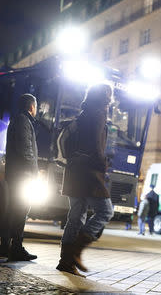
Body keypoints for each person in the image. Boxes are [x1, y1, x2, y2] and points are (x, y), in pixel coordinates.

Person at [56, 84, 114, 277]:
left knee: (75, 217)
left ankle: (65, 262)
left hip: (73, 171)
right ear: (105, 98)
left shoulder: (82, 114)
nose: (111, 99)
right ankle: (76, 251)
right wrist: (103, 164)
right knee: (106, 211)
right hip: (89, 173)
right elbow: (96, 145)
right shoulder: (98, 115)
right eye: (109, 95)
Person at [0, 94, 39, 261]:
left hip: (16, 174)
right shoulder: (23, 121)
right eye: (36, 106)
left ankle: (4, 246)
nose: (37, 110)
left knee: (13, 209)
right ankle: (16, 248)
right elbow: (25, 150)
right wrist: (34, 172)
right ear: (31, 107)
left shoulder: (18, 120)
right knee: (20, 210)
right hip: (23, 175)